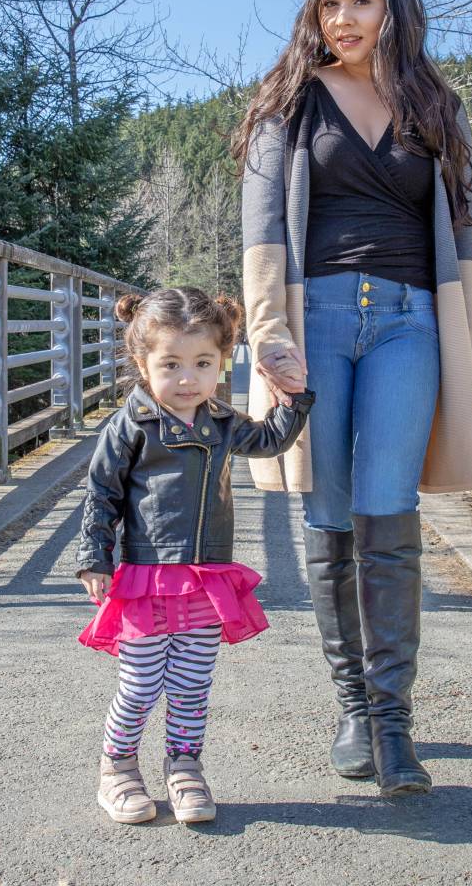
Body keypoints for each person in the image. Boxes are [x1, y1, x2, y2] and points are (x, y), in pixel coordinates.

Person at [234, 0, 472, 797]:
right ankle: (351, 704)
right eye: (330, 1)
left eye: (361, 1)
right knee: (331, 505)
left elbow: (464, 237)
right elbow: (262, 227)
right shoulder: (288, 104)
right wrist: (268, 335)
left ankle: (393, 719)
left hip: (411, 321)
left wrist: (471, 343)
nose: (342, 18)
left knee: (389, 507)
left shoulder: (435, 107)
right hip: (319, 320)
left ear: (394, 10)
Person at [75, 286, 314, 824]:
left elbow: (269, 441)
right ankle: (117, 767)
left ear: (221, 363)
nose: (188, 379)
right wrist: (95, 558)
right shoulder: (130, 426)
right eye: (172, 364)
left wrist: (294, 400)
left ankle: (184, 766)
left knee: (190, 685)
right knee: (139, 685)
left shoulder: (223, 423)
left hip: (207, 578)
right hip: (144, 576)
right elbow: (101, 495)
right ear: (142, 362)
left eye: (203, 363)